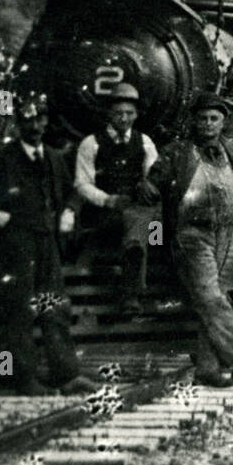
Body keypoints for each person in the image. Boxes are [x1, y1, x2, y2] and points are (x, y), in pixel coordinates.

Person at [145, 91, 233, 387]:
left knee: (219, 299)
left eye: (214, 119)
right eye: (203, 119)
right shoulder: (177, 152)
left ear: (223, 122)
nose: (208, 124)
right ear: (194, 122)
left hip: (230, 231)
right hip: (192, 234)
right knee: (209, 296)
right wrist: (147, 186)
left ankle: (208, 369)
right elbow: (153, 181)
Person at [0, 94, 99, 396]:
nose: (35, 126)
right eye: (29, 119)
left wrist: (70, 211)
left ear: (46, 121)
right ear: (19, 122)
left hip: (48, 243)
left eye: (40, 119)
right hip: (17, 244)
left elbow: (72, 191)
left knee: (54, 307)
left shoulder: (52, 157)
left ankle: (66, 374)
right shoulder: (5, 158)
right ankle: (24, 377)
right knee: (21, 309)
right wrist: (1, 219)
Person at [73, 83, 159, 316]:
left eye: (129, 114)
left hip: (137, 210)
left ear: (136, 114)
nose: (124, 118)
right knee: (134, 228)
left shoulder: (145, 143)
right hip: (103, 210)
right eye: (118, 113)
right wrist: (107, 199)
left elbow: (154, 177)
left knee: (147, 223)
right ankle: (131, 289)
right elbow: (82, 184)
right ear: (109, 114)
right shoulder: (91, 143)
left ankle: (133, 286)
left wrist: (147, 184)